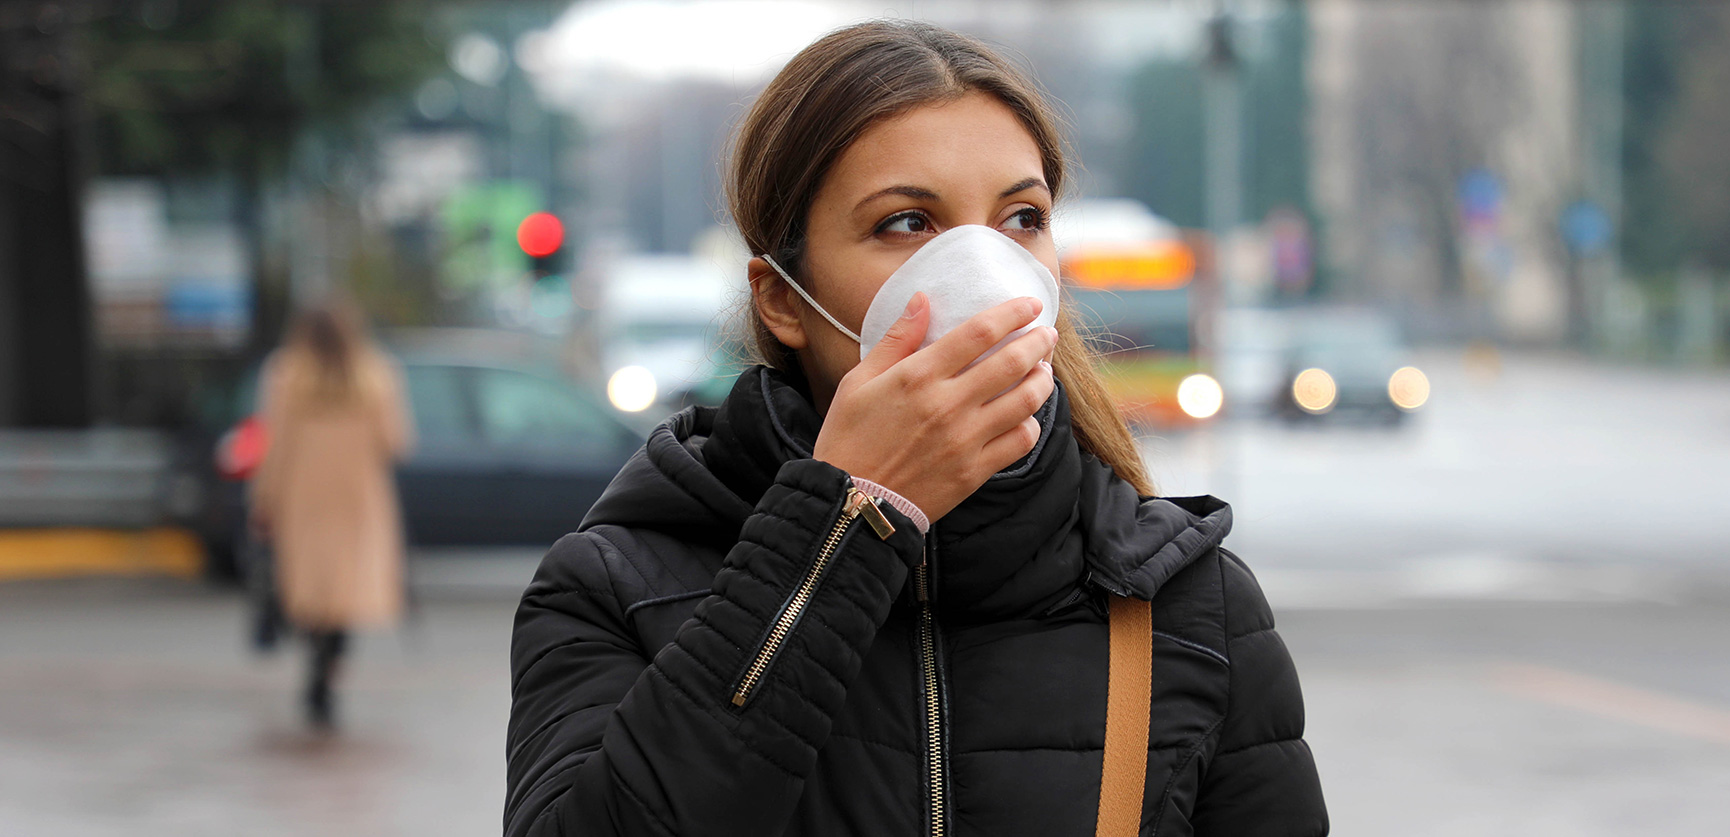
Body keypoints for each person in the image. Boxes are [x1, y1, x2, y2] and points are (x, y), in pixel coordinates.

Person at [505, 21, 1327, 836]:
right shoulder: (615, 587)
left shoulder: (1189, 604)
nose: (984, 272)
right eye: (907, 223)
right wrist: (842, 527)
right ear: (784, 299)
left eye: (1020, 219)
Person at [249, 301, 412, 729]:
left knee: (311, 589)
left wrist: (264, 499)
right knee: (345, 592)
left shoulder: (285, 375)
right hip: (359, 498)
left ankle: (316, 658)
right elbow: (396, 442)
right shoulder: (377, 375)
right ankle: (329, 669)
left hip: (304, 497)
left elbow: (276, 446)